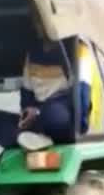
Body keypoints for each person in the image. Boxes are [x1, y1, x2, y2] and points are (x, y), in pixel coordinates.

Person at [15, 17, 98, 150]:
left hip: (62, 111)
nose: (39, 25)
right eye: (37, 21)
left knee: (55, 116)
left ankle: (43, 135)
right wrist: (27, 110)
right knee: (5, 123)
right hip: (39, 112)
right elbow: (27, 91)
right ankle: (37, 135)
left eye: (42, 20)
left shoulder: (77, 48)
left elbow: (82, 94)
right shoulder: (32, 53)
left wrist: (80, 129)